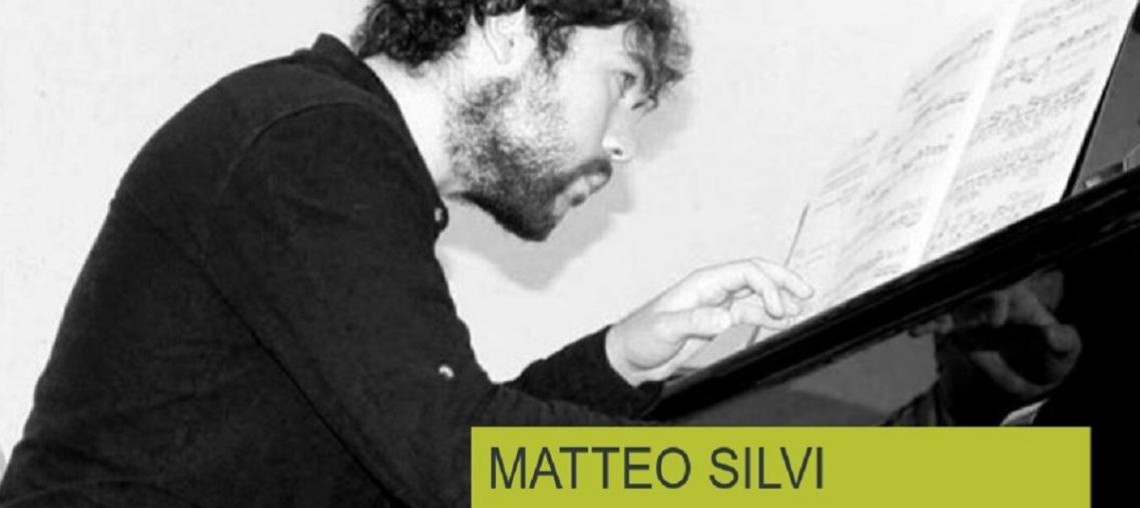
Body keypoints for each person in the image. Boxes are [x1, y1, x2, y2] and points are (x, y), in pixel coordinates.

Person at [0, 1, 1080, 506]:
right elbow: (470, 463)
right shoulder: (311, 142)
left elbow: (432, 442)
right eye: (621, 84)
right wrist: (872, 476)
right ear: (512, 27)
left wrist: (622, 356)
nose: (619, 144)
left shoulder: (325, 150)